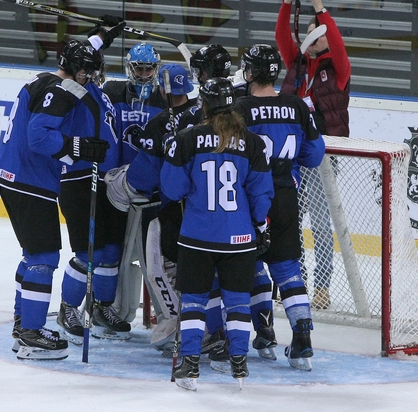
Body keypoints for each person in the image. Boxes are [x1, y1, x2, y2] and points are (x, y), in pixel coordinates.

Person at [0, 32, 119, 360]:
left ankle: (23, 328)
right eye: (86, 73)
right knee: (44, 258)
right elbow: (38, 137)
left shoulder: (45, 81)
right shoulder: (60, 90)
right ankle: (32, 334)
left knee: (32, 255)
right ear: (74, 68)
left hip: (14, 178)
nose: (89, 79)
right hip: (31, 181)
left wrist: (101, 37)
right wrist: (77, 146)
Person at [161, 77, 274, 391]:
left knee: (195, 301)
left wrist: (174, 152)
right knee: (238, 301)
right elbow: (261, 194)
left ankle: (190, 365)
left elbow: (171, 189)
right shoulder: (252, 143)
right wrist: (260, 227)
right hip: (238, 238)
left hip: (197, 235)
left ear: (205, 104)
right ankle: (239, 361)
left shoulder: (187, 138)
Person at [234, 43, 326, 371]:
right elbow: (314, 155)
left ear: (248, 73)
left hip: (249, 199)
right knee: (286, 267)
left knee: (253, 263)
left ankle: (264, 333)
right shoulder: (298, 106)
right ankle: (302, 339)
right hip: (286, 195)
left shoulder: (239, 107)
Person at [56, 27, 140, 343]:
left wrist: (101, 38)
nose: (94, 72)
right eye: (90, 68)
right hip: (80, 180)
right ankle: (68, 307)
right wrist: (96, 38)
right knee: (87, 252)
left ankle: (101, 306)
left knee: (110, 252)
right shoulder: (73, 89)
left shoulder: (100, 94)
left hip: (109, 182)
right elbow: (70, 64)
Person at [104, 63, 196, 352]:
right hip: (207, 209)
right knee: (203, 268)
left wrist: (124, 183)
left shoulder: (160, 124)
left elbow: (143, 175)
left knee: (158, 266)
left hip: (167, 206)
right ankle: (213, 328)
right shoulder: (206, 115)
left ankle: (175, 320)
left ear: (163, 87)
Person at [276, 0, 351, 310]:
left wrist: (320, 8)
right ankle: (295, 281)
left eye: (318, 32)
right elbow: (281, 36)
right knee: (288, 220)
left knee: (321, 224)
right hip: (290, 154)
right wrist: (287, 1)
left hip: (321, 156)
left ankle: (321, 286)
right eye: (310, 30)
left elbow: (335, 40)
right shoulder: (297, 62)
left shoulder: (338, 68)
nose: (314, 35)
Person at [103, 42, 167, 166]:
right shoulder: (112, 92)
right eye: (139, 69)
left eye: (148, 69)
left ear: (156, 69)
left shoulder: (164, 98)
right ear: (130, 68)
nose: (143, 74)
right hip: (116, 168)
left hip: (149, 170)